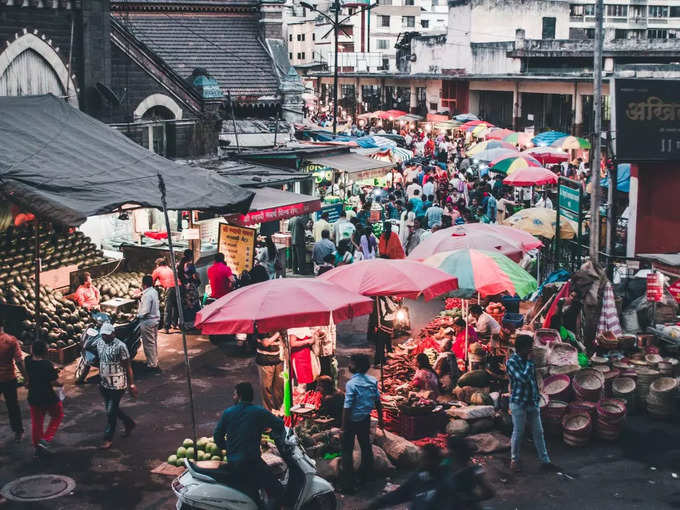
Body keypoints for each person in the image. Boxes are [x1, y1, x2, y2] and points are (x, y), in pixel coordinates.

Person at [213, 382, 285, 509]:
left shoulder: (228, 413)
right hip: (252, 462)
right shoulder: (258, 411)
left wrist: (229, 447)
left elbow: (217, 437)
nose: (233, 397)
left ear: (239, 396)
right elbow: (279, 424)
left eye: (234, 394)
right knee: (277, 491)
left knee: (253, 495)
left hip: (233, 463)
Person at [506, 333, 554, 472]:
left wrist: (537, 396)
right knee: (519, 432)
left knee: (539, 432)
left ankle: (545, 461)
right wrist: (528, 362)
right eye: (529, 347)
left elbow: (533, 380)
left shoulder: (529, 360)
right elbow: (522, 379)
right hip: (518, 402)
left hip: (532, 401)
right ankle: (514, 460)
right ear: (522, 348)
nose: (532, 350)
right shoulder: (512, 362)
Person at [341, 354, 383, 493]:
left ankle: (348, 485)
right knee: (366, 448)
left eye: (351, 363)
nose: (349, 365)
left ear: (357, 367)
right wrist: (381, 419)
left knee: (347, 452)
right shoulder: (372, 381)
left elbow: (347, 407)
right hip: (365, 419)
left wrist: (343, 427)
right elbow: (377, 401)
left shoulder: (351, 384)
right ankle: (367, 477)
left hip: (352, 421)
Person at [95, 322, 137, 449]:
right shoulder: (99, 343)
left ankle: (108, 438)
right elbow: (101, 361)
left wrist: (132, 384)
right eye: (103, 335)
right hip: (104, 383)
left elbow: (128, 366)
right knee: (112, 409)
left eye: (107, 335)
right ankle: (128, 422)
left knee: (110, 411)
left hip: (118, 385)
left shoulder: (121, 346)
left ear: (113, 334)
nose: (105, 337)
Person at [365, 444, 445, 510]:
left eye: (425, 460)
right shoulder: (419, 477)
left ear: (435, 461)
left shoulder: (447, 481)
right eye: (422, 459)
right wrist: (378, 503)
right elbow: (402, 492)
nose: (422, 463)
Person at [26, 340, 63, 457]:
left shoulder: (28, 361)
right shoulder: (47, 364)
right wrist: (60, 384)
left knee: (37, 423)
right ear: (45, 351)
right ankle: (46, 439)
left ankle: (38, 448)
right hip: (48, 396)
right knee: (58, 415)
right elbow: (54, 382)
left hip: (33, 396)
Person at [0, 318, 26, 441]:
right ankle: (18, 432)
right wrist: (27, 378)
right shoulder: (10, 340)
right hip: (8, 378)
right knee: (12, 406)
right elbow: (19, 361)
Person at [255, 330, 284, 413]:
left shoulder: (278, 325)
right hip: (265, 361)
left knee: (279, 388)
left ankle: (280, 410)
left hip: (278, 359)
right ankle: (268, 411)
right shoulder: (261, 326)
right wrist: (278, 333)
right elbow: (266, 343)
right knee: (266, 388)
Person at [138, 275, 161, 372]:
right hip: (155, 320)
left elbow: (145, 311)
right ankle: (154, 361)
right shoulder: (154, 291)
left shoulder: (147, 295)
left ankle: (152, 365)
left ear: (144, 284)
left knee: (148, 344)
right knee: (153, 342)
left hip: (148, 321)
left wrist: (138, 315)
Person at [152, 258, 178, 334]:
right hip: (178, 287)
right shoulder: (169, 269)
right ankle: (174, 324)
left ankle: (166, 327)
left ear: (158, 265)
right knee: (175, 306)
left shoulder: (158, 270)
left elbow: (151, 281)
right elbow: (168, 278)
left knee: (168, 307)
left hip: (170, 288)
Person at [178, 249, 200, 324]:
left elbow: (180, 276)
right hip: (191, 287)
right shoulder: (190, 265)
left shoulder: (179, 265)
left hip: (183, 286)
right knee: (193, 305)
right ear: (190, 256)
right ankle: (193, 323)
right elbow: (195, 276)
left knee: (186, 305)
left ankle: (186, 323)